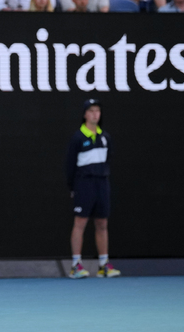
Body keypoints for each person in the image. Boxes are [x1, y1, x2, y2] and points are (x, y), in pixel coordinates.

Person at [65, 99, 120, 280]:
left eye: (98, 111)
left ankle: (103, 265)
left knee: (102, 223)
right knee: (80, 223)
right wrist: (72, 186)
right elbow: (70, 164)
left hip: (101, 183)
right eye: (91, 111)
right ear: (85, 114)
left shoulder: (105, 137)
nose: (95, 114)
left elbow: (108, 159)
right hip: (84, 184)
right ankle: (75, 265)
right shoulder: (78, 137)